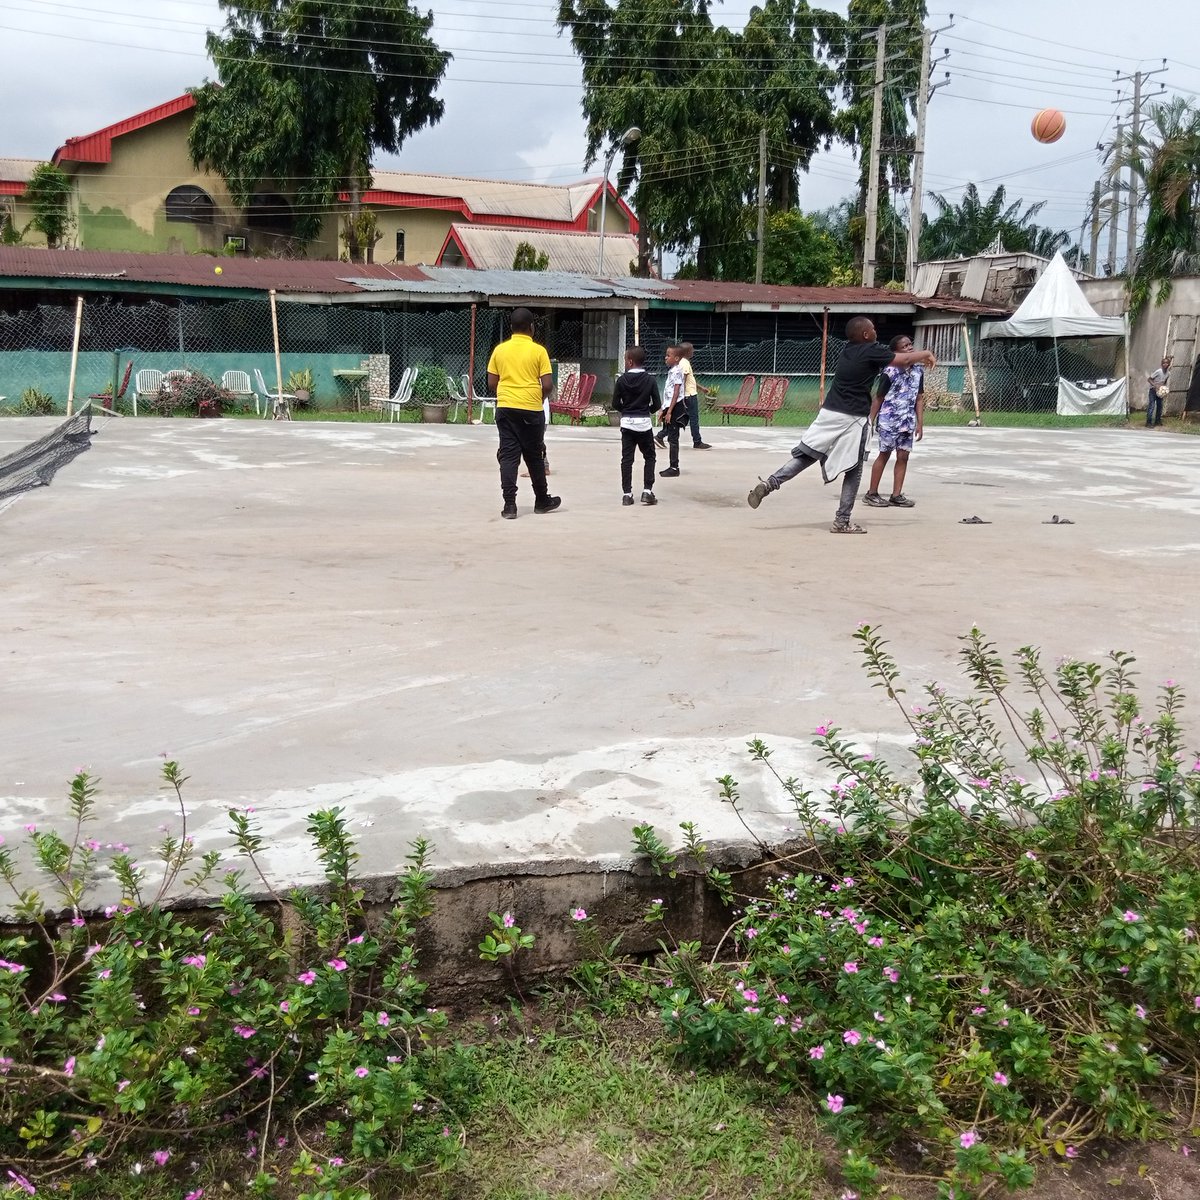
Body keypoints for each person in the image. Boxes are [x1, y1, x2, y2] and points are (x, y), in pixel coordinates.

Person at [746, 316, 935, 533]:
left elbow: (899, 359)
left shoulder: (848, 350)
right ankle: (842, 521)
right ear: (866, 334)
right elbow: (904, 360)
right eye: (873, 329)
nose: (876, 332)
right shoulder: (871, 350)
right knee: (853, 468)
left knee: (806, 456)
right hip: (852, 417)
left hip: (828, 412)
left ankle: (769, 483)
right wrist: (926, 353)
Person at [486, 307, 561, 520]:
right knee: (534, 456)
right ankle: (542, 500)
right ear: (532, 328)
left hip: (506, 408)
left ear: (511, 327)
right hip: (531, 409)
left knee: (508, 456)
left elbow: (492, 382)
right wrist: (538, 398)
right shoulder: (539, 351)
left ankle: (510, 505)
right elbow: (548, 385)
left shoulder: (500, 350)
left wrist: (507, 394)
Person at [862, 334, 926, 509]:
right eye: (904, 346)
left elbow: (919, 398)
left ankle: (896, 495)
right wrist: (870, 421)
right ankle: (872, 493)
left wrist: (920, 423)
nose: (909, 348)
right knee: (884, 454)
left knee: (903, 456)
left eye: (910, 344)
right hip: (889, 421)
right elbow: (879, 398)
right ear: (896, 352)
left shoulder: (918, 371)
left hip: (907, 421)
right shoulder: (890, 371)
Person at [611, 345, 661, 506]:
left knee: (627, 459)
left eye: (625, 359)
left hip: (627, 424)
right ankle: (647, 491)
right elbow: (657, 404)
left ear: (630, 362)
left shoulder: (621, 380)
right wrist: (646, 411)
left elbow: (615, 403)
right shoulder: (650, 380)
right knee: (650, 456)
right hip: (644, 424)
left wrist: (626, 411)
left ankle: (627, 494)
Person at [657, 345, 687, 478]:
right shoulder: (671, 371)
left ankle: (674, 467)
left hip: (676, 408)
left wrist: (670, 411)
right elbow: (668, 394)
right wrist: (663, 410)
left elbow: (676, 393)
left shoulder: (677, 371)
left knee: (673, 438)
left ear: (676, 358)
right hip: (670, 407)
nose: (666, 357)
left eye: (668, 355)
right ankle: (672, 465)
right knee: (671, 437)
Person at [1146, 355, 1171, 428]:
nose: (1165, 364)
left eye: (1167, 363)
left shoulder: (1168, 373)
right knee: (1152, 406)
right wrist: (1155, 386)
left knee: (1160, 406)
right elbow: (1149, 379)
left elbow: (1164, 381)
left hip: (1160, 392)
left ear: (1169, 364)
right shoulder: (1158, 371)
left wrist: (1164, 389)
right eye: (1163, 363)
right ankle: (1148, 422)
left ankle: (1157, 421)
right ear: (1161, 364)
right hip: (1153, 391)